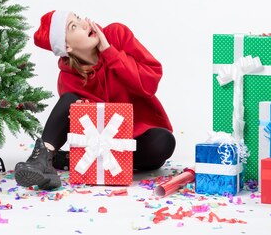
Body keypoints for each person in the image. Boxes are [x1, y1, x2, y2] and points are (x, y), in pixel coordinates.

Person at [14, 10, 176, 190]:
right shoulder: (68, 78)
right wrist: (82, 110)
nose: (85, 23)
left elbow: (150, 82)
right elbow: (85, 127)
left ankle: (70, 159)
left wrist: (110, 52)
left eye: (78, 17)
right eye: (73, 26)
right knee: (69, 100)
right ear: (67, 47)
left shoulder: (117, 34)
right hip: (99, 143)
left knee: (164, 143)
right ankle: (42, 159)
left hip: (137, 136)